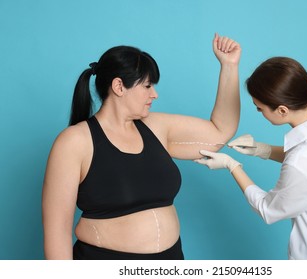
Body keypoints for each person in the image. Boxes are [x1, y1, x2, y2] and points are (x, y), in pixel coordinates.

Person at [42, 33, 241, 260]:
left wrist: (229, 66)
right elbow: (57, 232)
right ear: (119, 86)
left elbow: (220, 132)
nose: (154, 94)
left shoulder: (156, 127)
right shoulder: (74, 142)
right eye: (147, 86)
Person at [195, 57, 307, 260]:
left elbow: (267, 209)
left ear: (282, 110)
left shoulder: (302, 161)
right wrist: (261, 150)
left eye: (259, 108)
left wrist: (231, 165)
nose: (258, 112)